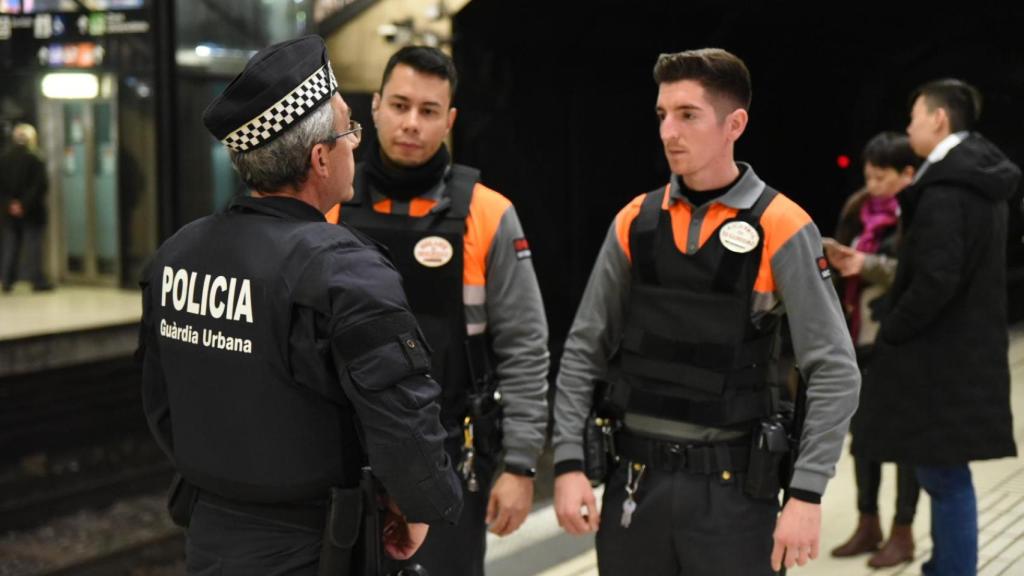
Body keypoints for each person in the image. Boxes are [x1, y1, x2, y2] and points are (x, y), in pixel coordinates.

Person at [138, 35, 462, 576]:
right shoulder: (343, 270)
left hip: (211, 537)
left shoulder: (174, 256)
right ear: (319, 158)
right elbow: (402, 421)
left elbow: (161, 405)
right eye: (348, 131)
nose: (355, 144)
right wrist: (422, 502)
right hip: (317, 548)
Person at [552, 48, 860, 576]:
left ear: (734, 124)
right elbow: (584, 347)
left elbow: (833, 369)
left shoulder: (782, 226)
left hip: (735, 496)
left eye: (687, 115)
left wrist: (807, 496)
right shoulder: (635, 220)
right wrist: (568, 464)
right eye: (662, 115)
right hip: (636, 484)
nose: (669, 131)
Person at [326, 45, 549, 576]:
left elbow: (525, 348)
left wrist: (519, 465)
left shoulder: (489, 214)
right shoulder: (328, 207)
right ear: (375, 107)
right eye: (400, 105)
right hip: (338, 451)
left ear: (449, 121)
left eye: (428, 112)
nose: (411, 123)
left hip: (449, 455)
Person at [855, 78, 1020, 576]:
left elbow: (936, 278)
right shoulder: (979, 178)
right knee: (945, 471)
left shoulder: (948, 187)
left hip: (941, 357)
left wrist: (894, 328)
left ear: (939, 119)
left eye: (913, 118)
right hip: (964, 351)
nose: (909, 128)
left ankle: (952, 569)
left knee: (944, 475)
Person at [824, 132, 921, 568]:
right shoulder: (857, 208)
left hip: (901, 341)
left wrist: (869, 265)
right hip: (857, 337)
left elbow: (923, 274)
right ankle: (868, 523)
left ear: (907, 174)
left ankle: (903, 532)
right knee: (862, 438)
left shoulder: (919, 210)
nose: (874, 185)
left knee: (903, 441)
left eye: (883, 177)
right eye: (869, 176)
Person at [0, 123, 52, 292]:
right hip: (32, 211)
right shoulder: (36, 158)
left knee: (10, 245)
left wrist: (11, 204)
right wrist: (24, 204)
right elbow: (39, 186)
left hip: (8, 211)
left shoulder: (4, 158)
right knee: (33, 246)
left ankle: (7, 280)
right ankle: (37, 280)